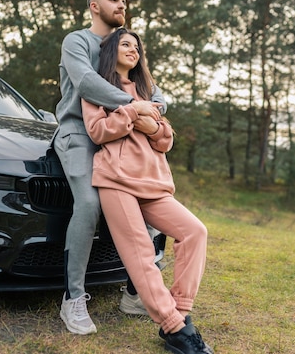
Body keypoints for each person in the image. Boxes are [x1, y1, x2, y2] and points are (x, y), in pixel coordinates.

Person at [82, 28, 213, 354]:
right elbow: (97, 131)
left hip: (154, 182)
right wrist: (132, 111)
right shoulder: (98, 89)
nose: (133, 50)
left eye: (137, 47)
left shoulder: (148, 91)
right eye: (125, 44)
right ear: (112, 51)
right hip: (116, 180)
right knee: (140, 253)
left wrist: (149, 122)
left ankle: (179, 315)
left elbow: (165, 139)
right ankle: (174, 327)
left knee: (195, 232)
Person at [53, 0, 166, 335]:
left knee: (149, 205)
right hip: (79, 134)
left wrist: (153, 110)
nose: (122, 6)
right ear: (95, 5)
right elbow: (86, 83)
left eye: (124, 0)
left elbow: (159, 95)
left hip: (123, 141)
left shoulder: (124, 47)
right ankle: (72, 298)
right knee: (88, 204)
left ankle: (134, 294)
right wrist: (137, 105)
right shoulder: (77, 41)